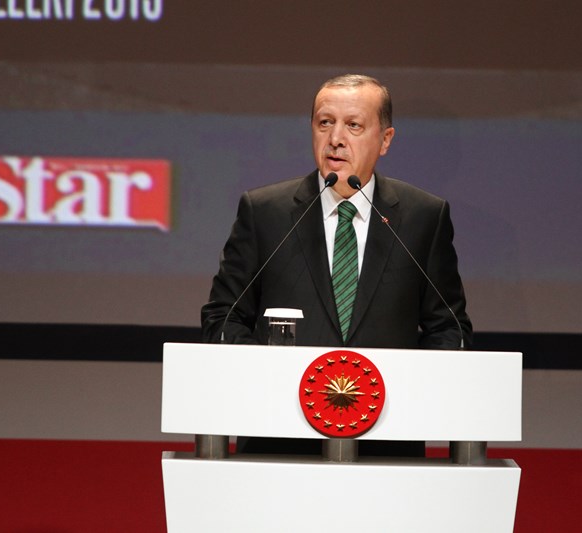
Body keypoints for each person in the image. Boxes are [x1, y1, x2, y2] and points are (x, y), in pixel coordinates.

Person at [201, 73, 472, 456]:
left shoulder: (423, 217)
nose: (336, 139)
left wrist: (411, 391)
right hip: (278, 438)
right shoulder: (265, 212)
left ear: (385, 140)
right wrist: (268, 377)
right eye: (324, 123)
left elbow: (449, 328)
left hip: (388, 442)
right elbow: (223, 318)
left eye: (354, 125)